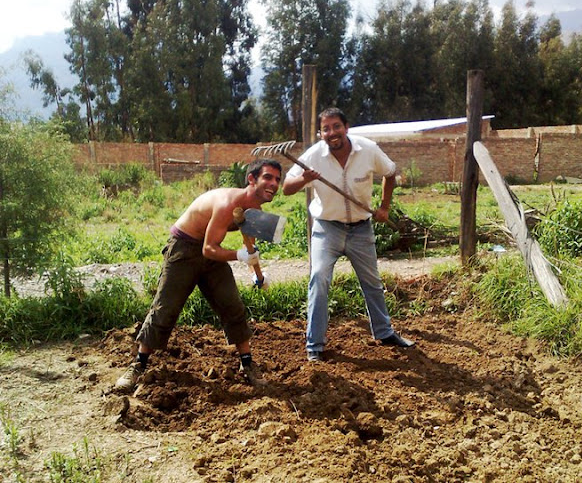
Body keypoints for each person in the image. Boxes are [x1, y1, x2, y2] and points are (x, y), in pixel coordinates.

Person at [114, 158, 282, 392]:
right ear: (252, 179)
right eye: (268, 177)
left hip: (211, 252)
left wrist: (258, 275)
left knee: (232, 305)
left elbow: (249, 244)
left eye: (277, 179)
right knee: (166, 307)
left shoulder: (255, 211)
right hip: (184, 248)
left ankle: (247, 364)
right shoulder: (227, 203)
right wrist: (238, 255)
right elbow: (208, 249)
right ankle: (138, 365)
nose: (273, 184)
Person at [282, 107, 414, 362]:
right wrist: (304, 179)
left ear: (346, 127)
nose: (332, 132)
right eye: (326, 129)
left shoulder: (368, 149)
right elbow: (287, 188)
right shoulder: (313, 156)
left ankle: (384, 332)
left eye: (336, 126)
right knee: (319, 278)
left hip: (361, 228)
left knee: (372, 281)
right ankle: (314, 345)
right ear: (320, 133)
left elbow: (390, 173)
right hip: (327, 228)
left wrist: (384, 207)